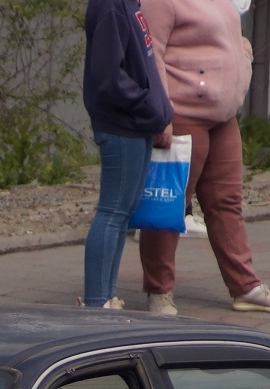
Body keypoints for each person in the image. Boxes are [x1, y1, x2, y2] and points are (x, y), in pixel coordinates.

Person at [138, 0, 270, 315]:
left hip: (223, 115)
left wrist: (244, 60)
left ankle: (246, 287)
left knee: (227, 202)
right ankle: (159, 292)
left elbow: (230, 37)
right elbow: (150, 55)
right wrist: (161, 114)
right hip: (182, 113)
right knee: (168, 204)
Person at [80, 0, 174, 310]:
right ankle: (97, 302)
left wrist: (155, 108)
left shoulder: (128, 3)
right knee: (112, 211)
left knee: (122, 213)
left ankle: (107, 297)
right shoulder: (109, 6)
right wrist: (148, 103)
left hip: (139, 122)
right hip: (122, 124)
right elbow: (109, 76)